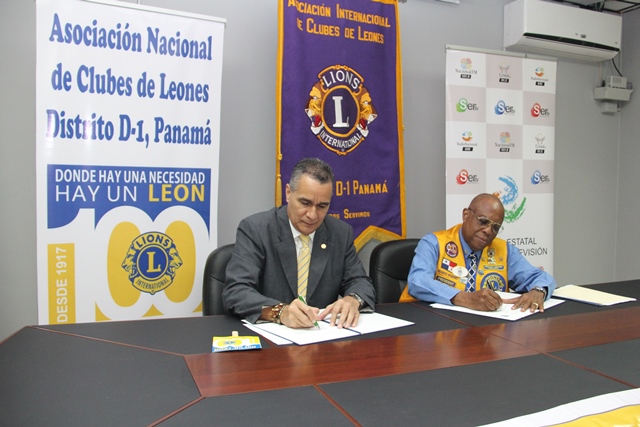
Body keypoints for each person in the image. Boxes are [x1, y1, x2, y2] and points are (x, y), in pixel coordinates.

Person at [223, 158, 375, 328]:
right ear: (288, 193)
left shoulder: (340, 233)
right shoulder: (256, 229)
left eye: (322, 206)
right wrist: (280, 312)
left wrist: (353, 300)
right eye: (305, 203)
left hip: (322, 337)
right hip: (270, 336)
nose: (312, 215)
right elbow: (236, 291)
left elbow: (360, 282)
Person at [404, 193, 556, 312]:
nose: (488, 231)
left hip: (489, 330)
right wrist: (465, 298)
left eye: (495, 227)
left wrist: (538, 291)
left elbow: (540, 277)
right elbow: (418, 281)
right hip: (436, 326)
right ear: (466, 215)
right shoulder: (435, 243)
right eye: (483, 221)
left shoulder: (504, 250)